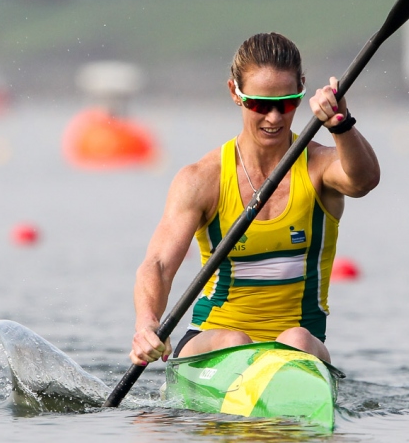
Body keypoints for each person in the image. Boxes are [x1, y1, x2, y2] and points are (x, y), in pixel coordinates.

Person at [130, 32, 380, 367]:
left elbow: (364, 181)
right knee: (235, 340)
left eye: (286, 103)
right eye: (260, 105)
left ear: (302, 89)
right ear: (235, 92)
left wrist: (340, 124)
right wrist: (147, 322)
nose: (274, 118)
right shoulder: (202, 179)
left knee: (296, 338)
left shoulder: (320, 167)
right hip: (213, 339)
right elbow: (158, 265)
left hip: (298, 347)